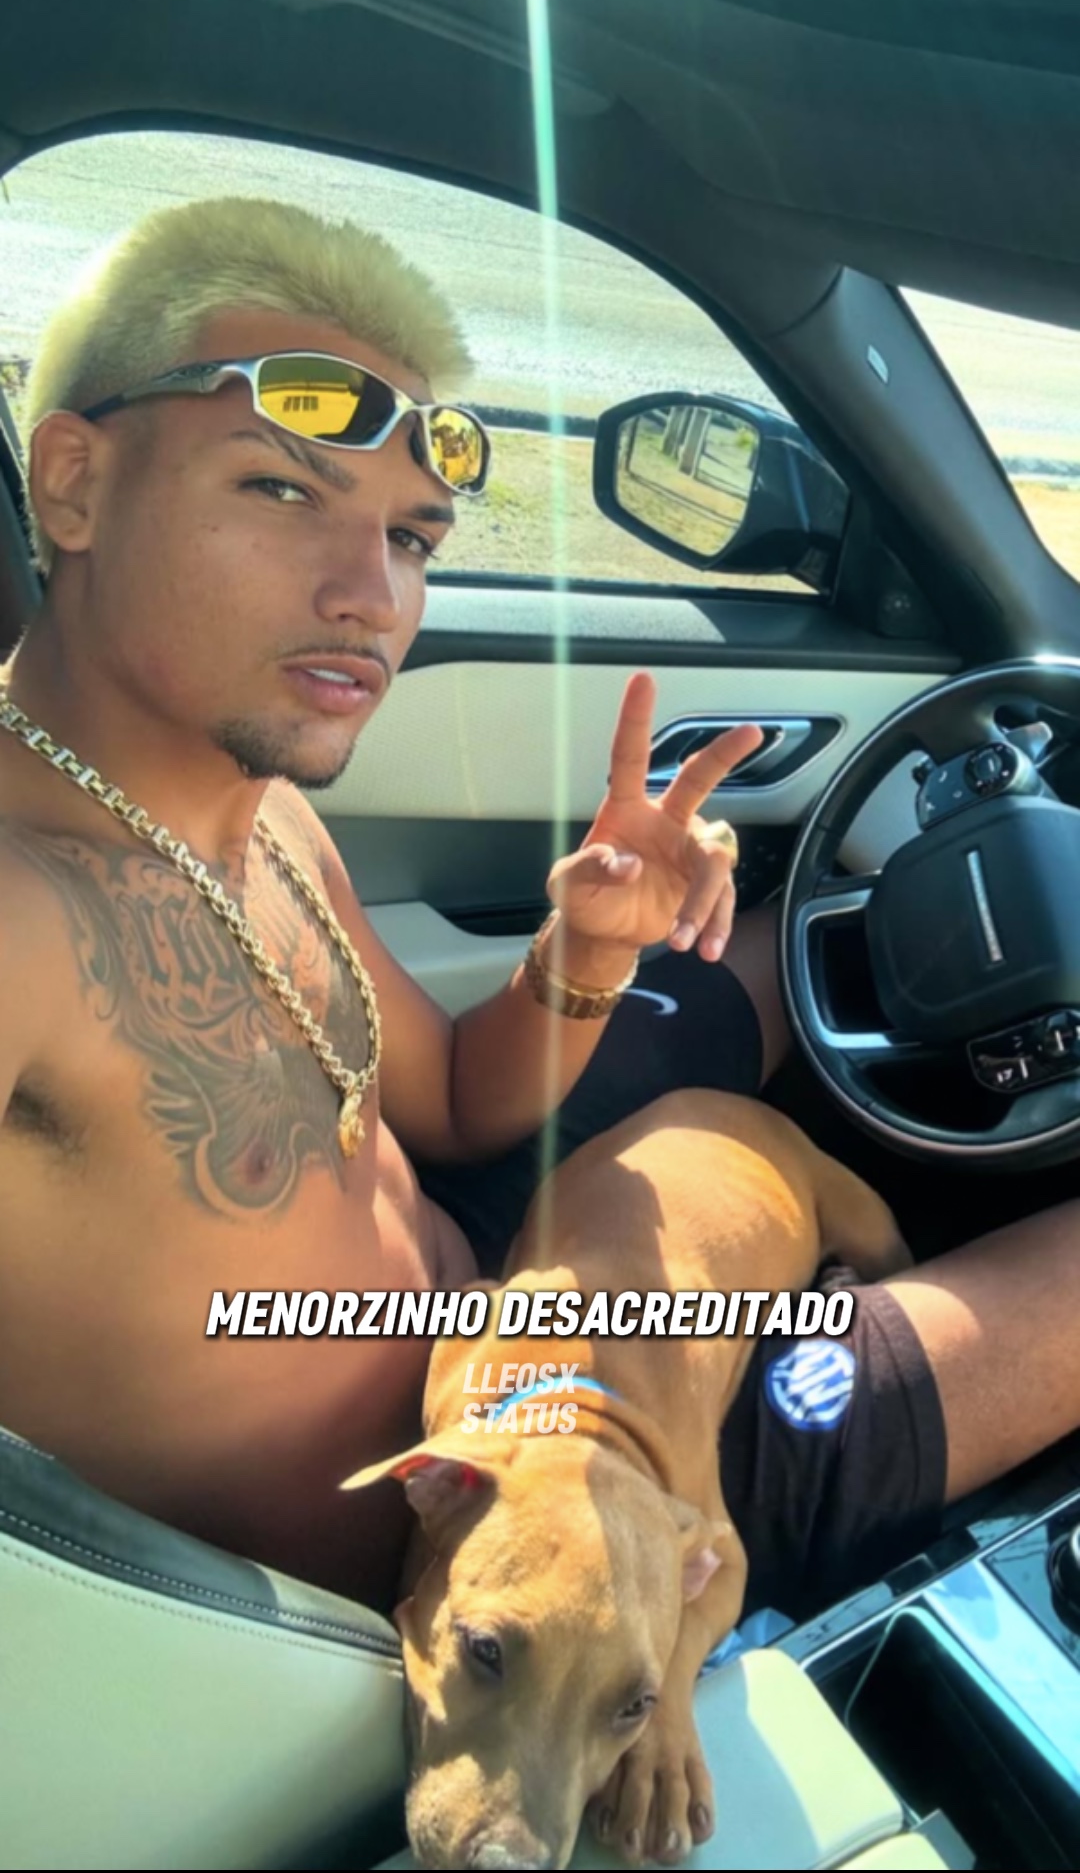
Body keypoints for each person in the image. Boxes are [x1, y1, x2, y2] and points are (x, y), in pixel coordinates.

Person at [1, 197, 1078, 1643]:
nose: (371, 597)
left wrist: (589, 947)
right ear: (74, 482)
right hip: (534, 1537)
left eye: (411, 536)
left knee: (800, 941)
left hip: (491, 1277)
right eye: (281, 490)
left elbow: (450, 1104)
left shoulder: (254, 808)